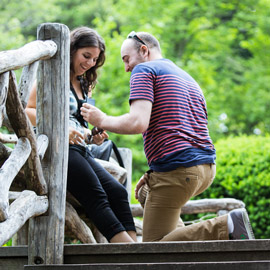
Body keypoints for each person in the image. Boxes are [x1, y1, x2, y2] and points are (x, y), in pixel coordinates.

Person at [80, 31, 255, 242]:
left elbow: (138, 122)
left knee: (155, 250)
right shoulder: (186, 77)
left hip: (179, 170)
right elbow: (181, 131)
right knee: (146, 195)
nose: (126, 68)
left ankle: (223, 226)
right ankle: (222, 228)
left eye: (127, 59)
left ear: (144, 50)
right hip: (205, 168)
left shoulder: (144, 69)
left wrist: (101, 119)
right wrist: (156, 173)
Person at [25, 26, 137, 243]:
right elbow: (27, 111)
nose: (89, 63)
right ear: (72, 50)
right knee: (97, 195)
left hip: (81, 149)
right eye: (86, 56)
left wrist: (92, 135)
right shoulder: (51, 76)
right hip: (57, 149)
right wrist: (59, 128)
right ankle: (127, 250)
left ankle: (133, 247)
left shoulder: (86, 83)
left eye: (95, 59)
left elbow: (79, 121)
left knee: (118, 192)